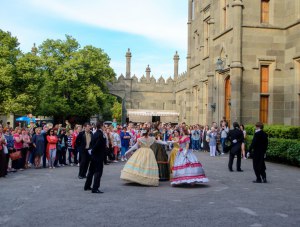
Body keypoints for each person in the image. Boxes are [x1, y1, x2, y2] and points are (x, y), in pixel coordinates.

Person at [84, 122, 107, 193]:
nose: (105, 127)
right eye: (104, 126)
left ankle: (87, 186)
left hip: (94, 156)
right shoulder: (101, 134)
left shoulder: (94, 134)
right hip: (98, 155)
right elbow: (98, 144)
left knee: (91, 171)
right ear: (101, 126)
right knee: (98, 172)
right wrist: (93, 150)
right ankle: (95, 188)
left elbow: (91, 143)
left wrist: (91, 150)